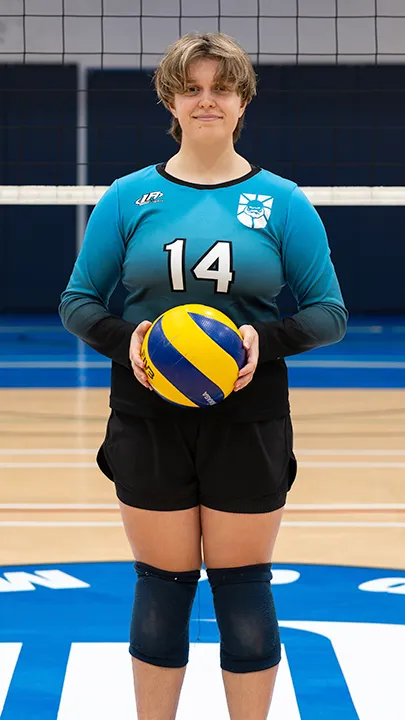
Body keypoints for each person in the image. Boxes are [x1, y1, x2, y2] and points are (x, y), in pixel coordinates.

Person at [59, 32, 348, 720]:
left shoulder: (281, 202)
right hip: (147, 412)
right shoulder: (129, 198)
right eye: (192, 87)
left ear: (243, 99)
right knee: (162, 585)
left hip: (246, 418)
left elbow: (329, 313)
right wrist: (127, 337)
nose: (206, 100)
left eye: (221, 87)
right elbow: (77, 302)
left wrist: (262, 338)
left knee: (243, 584)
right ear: (171, 100)